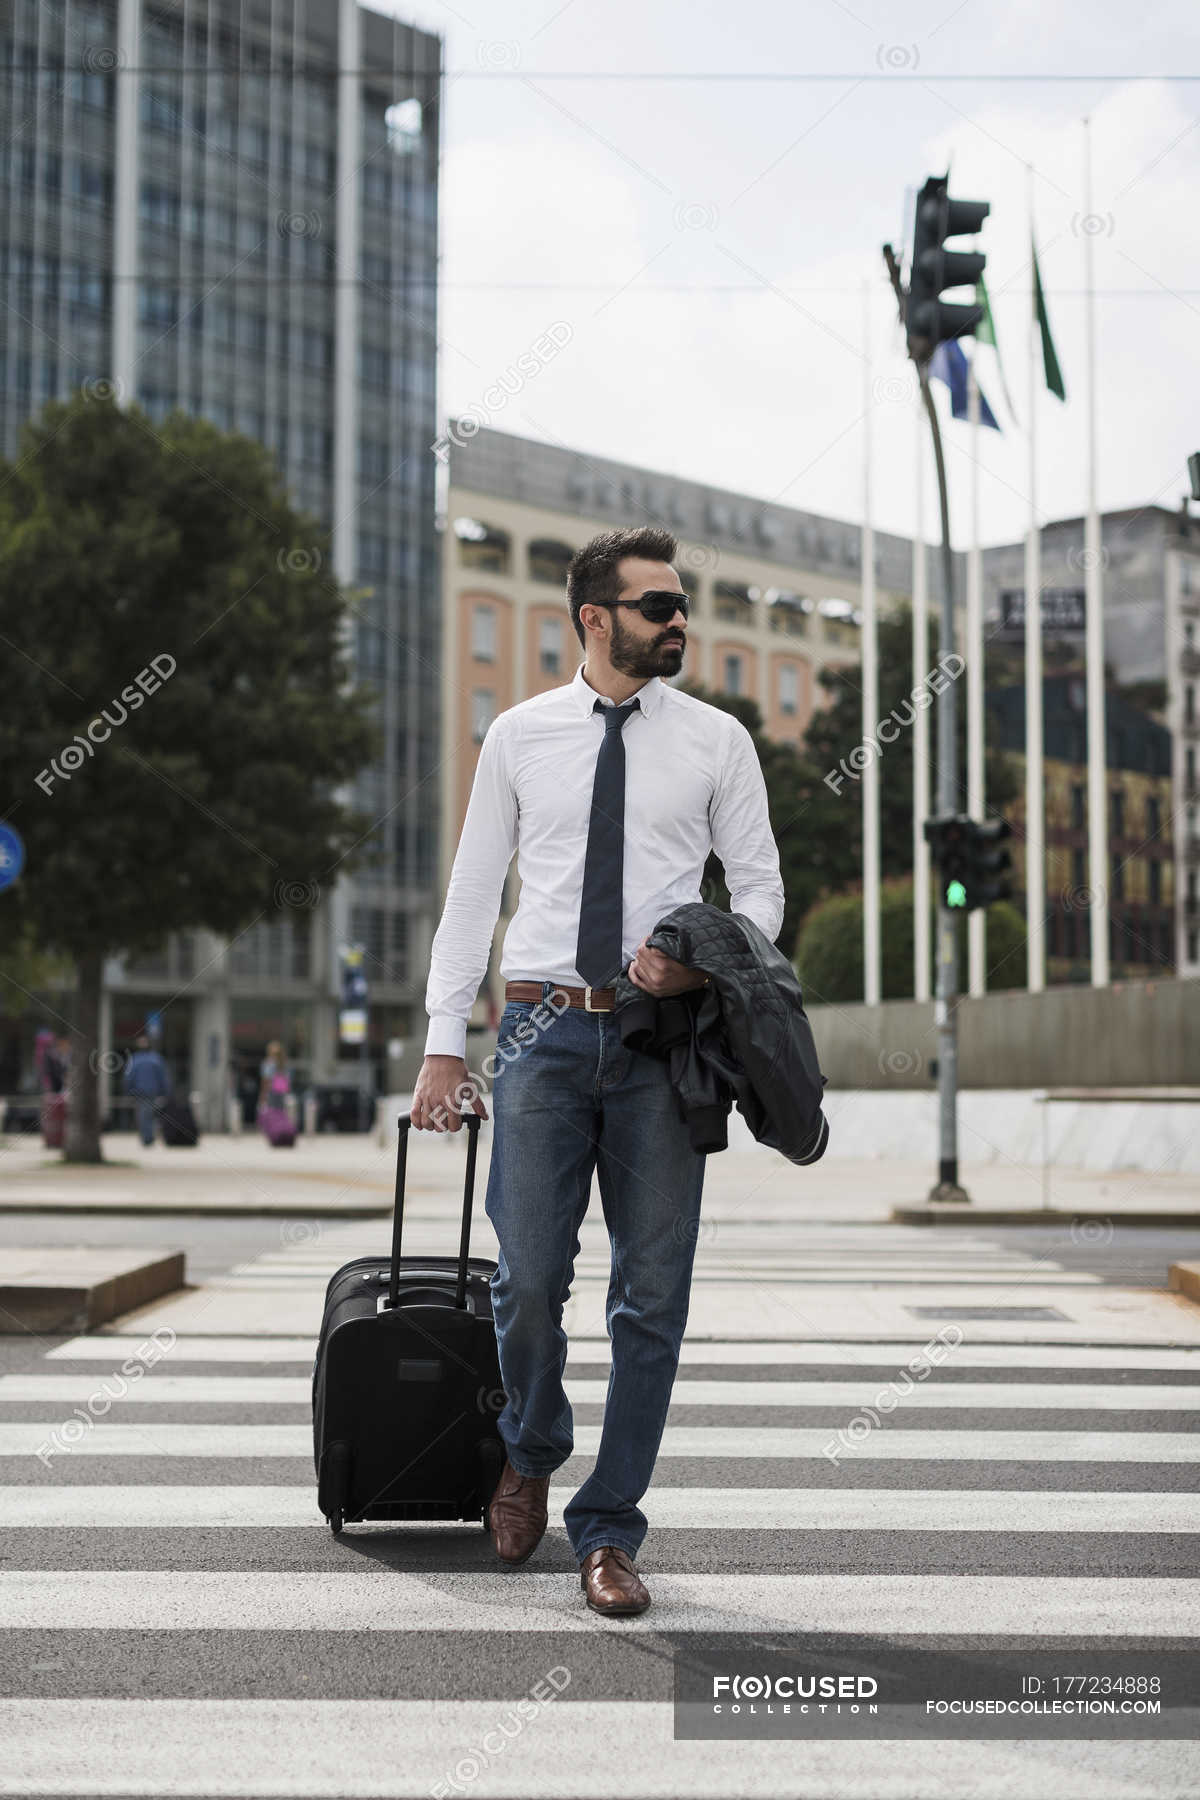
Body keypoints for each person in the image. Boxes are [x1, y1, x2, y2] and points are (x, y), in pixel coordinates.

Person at [412, 525, 784, 1617]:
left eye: (681, 605)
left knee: (652, 1297)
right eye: (657, 606)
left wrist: (697, 955)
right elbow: (475, 890)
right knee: (527, 1279)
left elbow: (759, 891)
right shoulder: (520, 736)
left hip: (662, 1045)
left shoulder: (717, 741)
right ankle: (529, 1446)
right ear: (594, 617)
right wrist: (444, 1040)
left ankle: (610, 1528)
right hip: (538, 1032)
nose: (680, 622)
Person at [123, 1035, 171, 1147]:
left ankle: (147, 1138)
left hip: (141, 1092)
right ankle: (148, 1137)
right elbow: (163, 1077)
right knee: (150, 1115)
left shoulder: (135, 1059)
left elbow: (128, 1077)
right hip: (152, 1092)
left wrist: (128, 1090)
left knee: (143, 1115)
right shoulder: (156, 1059)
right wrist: (166, 1091)